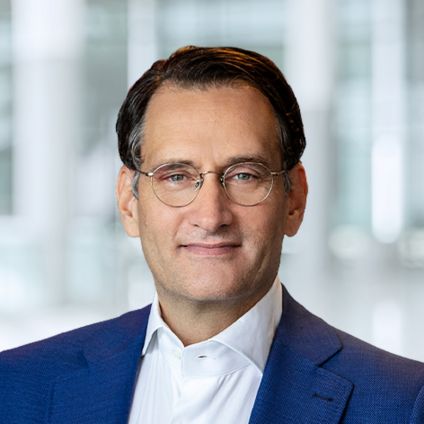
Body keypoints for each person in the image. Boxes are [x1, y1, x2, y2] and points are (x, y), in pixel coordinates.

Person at [1, 46, 423, 424]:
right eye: (177, 176)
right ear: (129, 203)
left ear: (294, 200)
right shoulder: (14, 388)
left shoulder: (403, 404)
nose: (211, 215)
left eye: (244, 175)